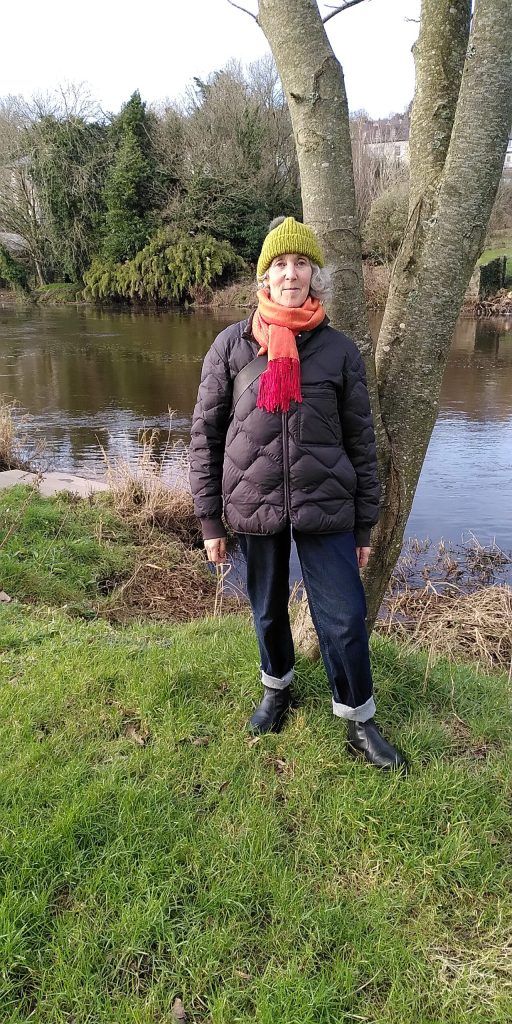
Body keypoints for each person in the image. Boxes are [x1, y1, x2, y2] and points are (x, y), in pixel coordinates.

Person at [189, 216, 406, 771]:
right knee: (265, 610)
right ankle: (277, 689)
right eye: (280, 264)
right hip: (252, 500)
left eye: (301, 263)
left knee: (343, 617)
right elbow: (206, 435)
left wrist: (364, 525)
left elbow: (362, 441)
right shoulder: (231, 346)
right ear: (264, 276)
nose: (291, 274)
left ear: (315, 274)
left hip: (326, 503)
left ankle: (358, 720)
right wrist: (210, 521)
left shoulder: (339, 350)